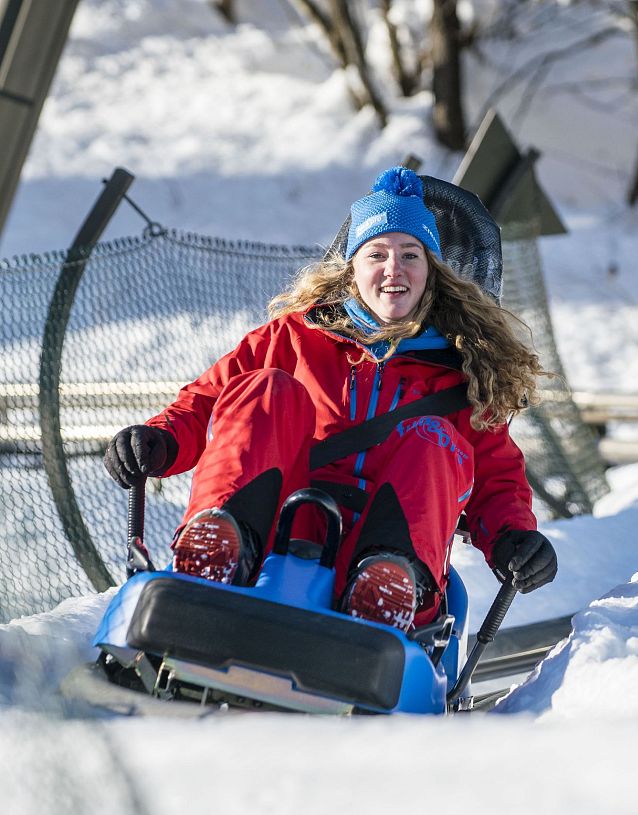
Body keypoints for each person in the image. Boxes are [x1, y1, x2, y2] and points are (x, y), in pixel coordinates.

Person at [104, 166, 557, 632]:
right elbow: (206, 400)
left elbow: (495, 476)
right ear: (352, 268)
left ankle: (387, 586)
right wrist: (159, 439)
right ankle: (218, 548)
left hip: (391, 547)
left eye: (411, 254)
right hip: (276, 531)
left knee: (435, 438)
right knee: (265, 389)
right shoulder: (295, 337)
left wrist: (514, 538)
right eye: (376, 253)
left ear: (432, 271)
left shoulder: (461, 376)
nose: (393, 269)